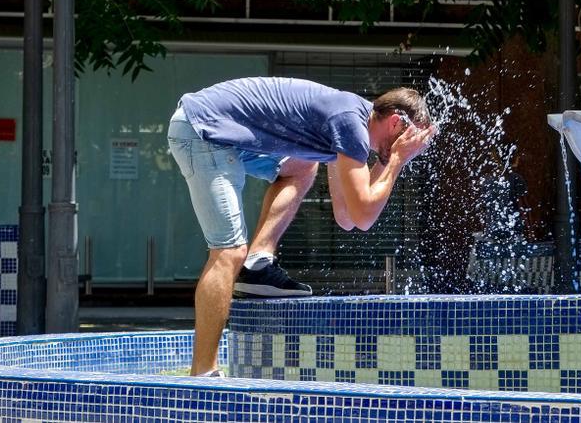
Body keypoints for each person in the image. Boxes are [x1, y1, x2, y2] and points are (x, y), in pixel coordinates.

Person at [166, 77, 436, 376]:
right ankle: (204, 372)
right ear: (396, 123)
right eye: (411, 141)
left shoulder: (347, 126)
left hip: (223, 131)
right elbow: (363, 215)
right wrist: (396, 159)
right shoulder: (350, 123)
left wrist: (389, 159)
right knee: (229, 252)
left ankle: (258, 264)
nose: (413, 151)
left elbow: (347, 218)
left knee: (302, 166)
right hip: (202, 129)